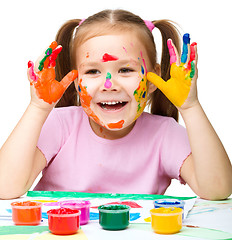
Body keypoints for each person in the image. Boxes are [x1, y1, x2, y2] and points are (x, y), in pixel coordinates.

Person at [0, 9, 231, 200]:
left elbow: (218, 190)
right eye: (92, 71)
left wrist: (191, 107)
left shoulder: (164, 134)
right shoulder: (61, 125)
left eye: (125, 70)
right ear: (76, 81)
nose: (109, 84)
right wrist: (38, 108)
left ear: (153, 79)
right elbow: (5, 188)